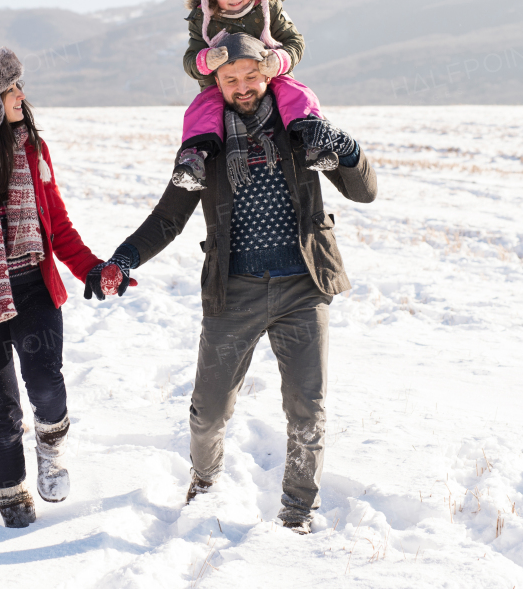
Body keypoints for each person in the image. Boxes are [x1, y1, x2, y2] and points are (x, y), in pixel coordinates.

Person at [96, 33, 377, 534]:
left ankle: (297, 512)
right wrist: (124, 258)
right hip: (235, 291)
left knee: (307, 412)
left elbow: (365, 190)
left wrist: (346, 147)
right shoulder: (205, 147)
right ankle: (204, 485)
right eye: (231, 80)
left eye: (252, 76)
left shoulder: (301, 131)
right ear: (216, 82)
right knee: (208, 413)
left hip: (302, 287)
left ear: (269, 75)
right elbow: (168, 216)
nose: (243, 87)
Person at [0, 48, 135, 528]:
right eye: (10, 88)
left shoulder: (33, 149)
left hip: (31, 289)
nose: (21, 95)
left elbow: (57, 226)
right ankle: (13, 497)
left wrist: (93, 269)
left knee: (47, 386)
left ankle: (51, 445)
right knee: (0, 411)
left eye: (19, 86)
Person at [172, 0, 336, 191]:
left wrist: (281, 60)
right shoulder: (202, 19)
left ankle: (314, 140)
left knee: (297, 94)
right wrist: (206, 59)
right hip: (223, 82)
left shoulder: (267, 7)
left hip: (269, 72)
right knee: (203, 108)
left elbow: (295, 41)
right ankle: (194, 158)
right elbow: (190, 60)